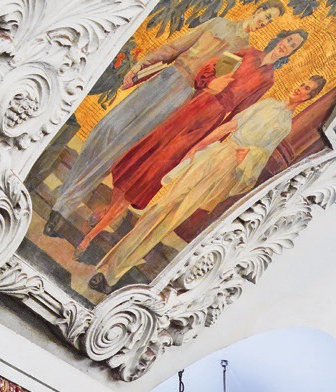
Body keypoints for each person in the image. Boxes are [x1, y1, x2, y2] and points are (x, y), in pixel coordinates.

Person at [45, 0, 284, 238]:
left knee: (120, 147)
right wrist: (142, 64)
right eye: (266, 15)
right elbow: (176, 47)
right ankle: (66, 193)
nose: (264, 22)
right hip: (165, 77)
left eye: (270, 21)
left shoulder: (242, 49)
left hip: (182, 96)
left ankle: (63, 207)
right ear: (257, 10)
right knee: (106, 129)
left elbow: (211, 83)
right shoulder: (219, 24)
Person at [76, 30, 307, 265]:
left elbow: (241, 111)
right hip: (196, 104)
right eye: (288, 40)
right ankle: (109, 212)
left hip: (211, 120)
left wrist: (211, 142)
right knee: (147, 153)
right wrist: (211, 82)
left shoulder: (269, 79)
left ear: (292, 53)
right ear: (280, 38)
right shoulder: (248, 53)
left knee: (159, 168)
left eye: (293, 46)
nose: (287, 46)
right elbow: (210, 69)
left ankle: (95, 232)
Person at [92, 74, 321, 290]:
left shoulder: (285, 126)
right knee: (162, 206)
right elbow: (230, 126)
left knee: (173, 219)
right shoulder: (267, 104)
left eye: (306, 89)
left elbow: (262, 155)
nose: (299, 89)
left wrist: (250, 154)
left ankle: (113, 273)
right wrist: (198, 147)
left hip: (229, 170)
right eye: (302, 84)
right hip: (217, 153)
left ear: (308, 98)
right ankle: (109, 263)